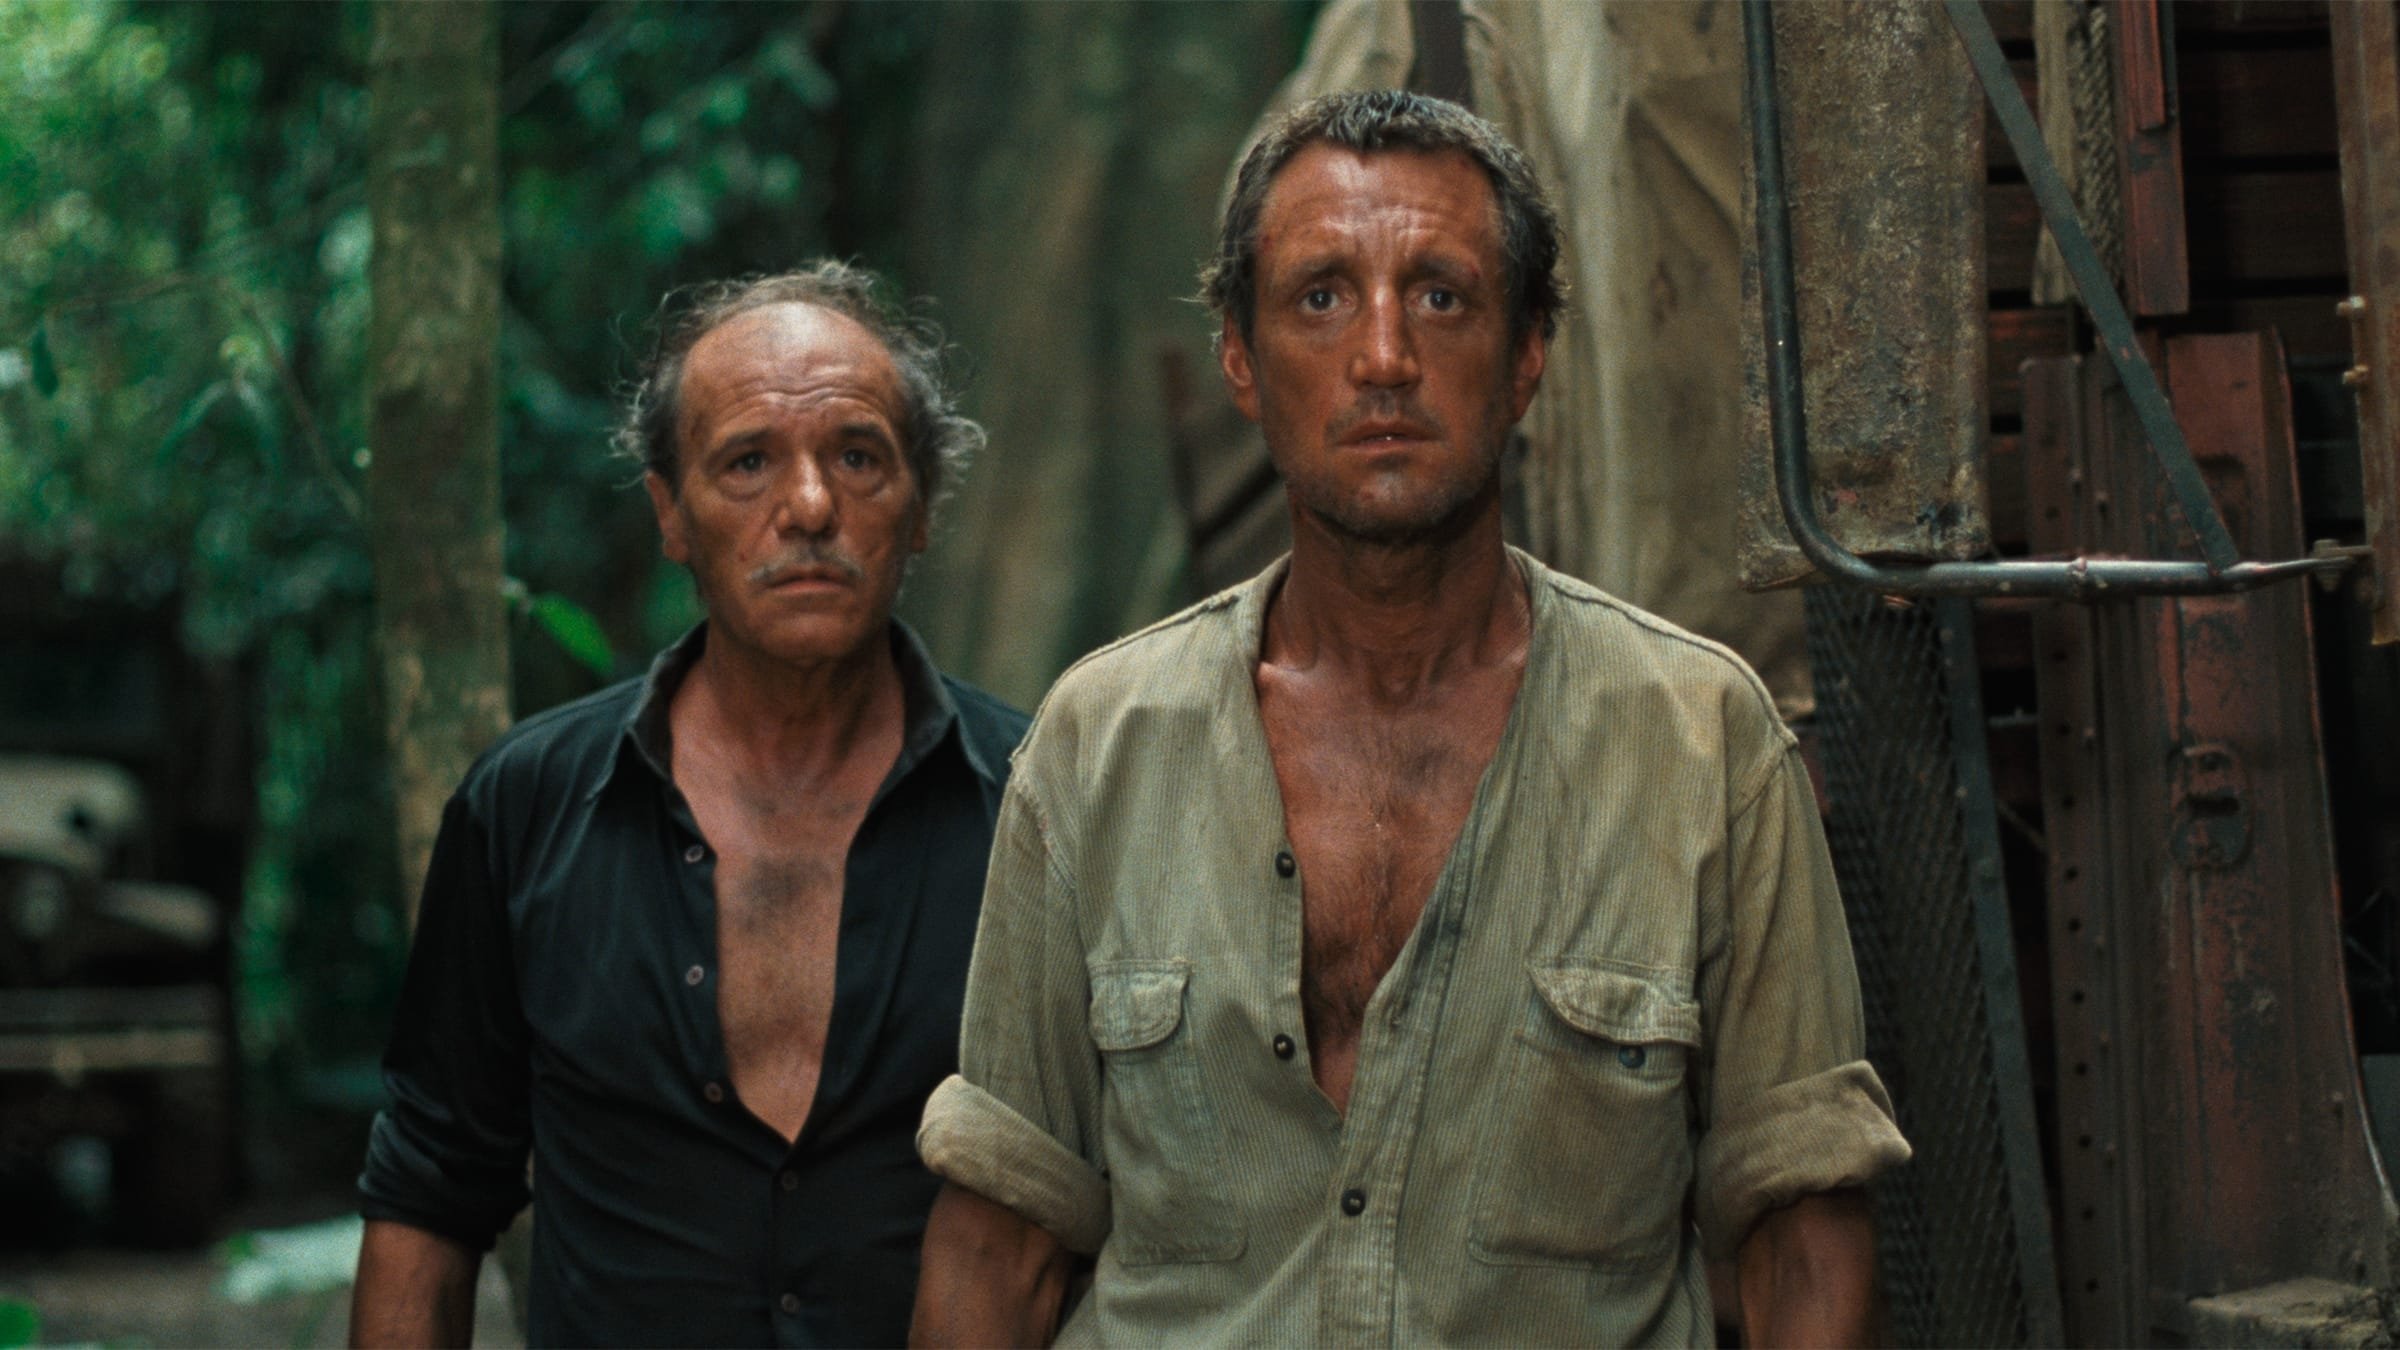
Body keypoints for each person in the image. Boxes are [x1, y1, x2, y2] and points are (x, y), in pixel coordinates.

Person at [909, 91, 1910, 1347]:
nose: (1384, 356)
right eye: (1322, 297)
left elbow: (1804, 1239)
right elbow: (998, 1245)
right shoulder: (1099, 743)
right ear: (1239, 359)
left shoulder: (1701, 741)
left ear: (1528, 353)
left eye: (1441, 296)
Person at [350, 261, 1029, 1348]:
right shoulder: (531, 808)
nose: (810, 508)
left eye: (858, 458)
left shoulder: (1041, 807)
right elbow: (429, 1196)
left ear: (921, 509)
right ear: (670, 512)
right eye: (748, 462)